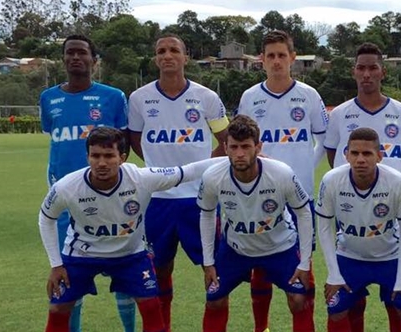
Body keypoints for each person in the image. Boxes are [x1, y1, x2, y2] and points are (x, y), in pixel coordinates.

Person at [38, 126, 221, 332]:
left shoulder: (141, 178)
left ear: (122, 157)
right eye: (95, 156)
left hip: (130, 256)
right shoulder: (67, 187)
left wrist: (231, 158)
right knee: (58, 308)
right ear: (87, 156)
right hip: (81, 255)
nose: (101, 163)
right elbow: (46, 218)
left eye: (109, 156)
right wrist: (56, 265)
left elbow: (188, 172)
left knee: (152, 306)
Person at [128, 33, 230, 331]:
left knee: (214, 272)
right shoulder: (139, 98)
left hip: (199, 201)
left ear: (186, 57)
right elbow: (135, 141)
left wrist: (200, 169)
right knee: (158, 271)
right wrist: (160, 173)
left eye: (174, 50)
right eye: (161, 50)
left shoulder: (206, 97)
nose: (167, 55)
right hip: (157, 201)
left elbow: (226, 140)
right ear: (155, 58)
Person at [39, 34, 135, 332]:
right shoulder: (48, 98)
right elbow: (54, 138)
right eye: (70, 53)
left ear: (94, 60)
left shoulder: (113, 96)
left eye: (82, 52)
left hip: (111, 199)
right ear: (64, 59)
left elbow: (124, 145)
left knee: (124, 271)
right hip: (68, 201)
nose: (75, 58)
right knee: (69, 276)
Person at [236, 30, 328, 332]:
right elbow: (243, 142)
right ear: (262, 60)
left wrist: (303, 170)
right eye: (270, 55)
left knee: (303, 267)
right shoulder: (250, 97)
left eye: (282, 55)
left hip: (300, 196)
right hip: (259, 195)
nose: (277, 61)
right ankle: (260, 327)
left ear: (292, 58)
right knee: (261, 265)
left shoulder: (309, 95)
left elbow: (323, 138)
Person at [197, 115, 314, 332]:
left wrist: (304, 263)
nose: (240, 153)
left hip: (280, 248)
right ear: (225, 147)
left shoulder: (281, 173)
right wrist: (208, 261)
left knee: (298, 300)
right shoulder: (213, 176)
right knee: (214, 300)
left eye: (246, 147)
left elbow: (304, 213)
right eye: (234, 147)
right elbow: (206, 214)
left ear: (258, 147)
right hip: (235, 250)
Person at [317, 127, 401, 332]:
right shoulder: (331, 180)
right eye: (355, 153)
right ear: (346, 155)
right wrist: (333, 274)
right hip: (349, 257)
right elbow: (323, 227)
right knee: (336, 309)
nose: (360, 159)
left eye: (367, 153)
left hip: (389, 257)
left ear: (379, 156)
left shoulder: (396, 181)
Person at [324, 42, 401, 180]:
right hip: (349, 195)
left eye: (372, 68)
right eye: (361, 68)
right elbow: (332, 154)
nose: (366, 74)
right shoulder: (339, 113)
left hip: (391, 196)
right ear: (354, 72)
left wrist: (397, 184)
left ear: (383, 73)